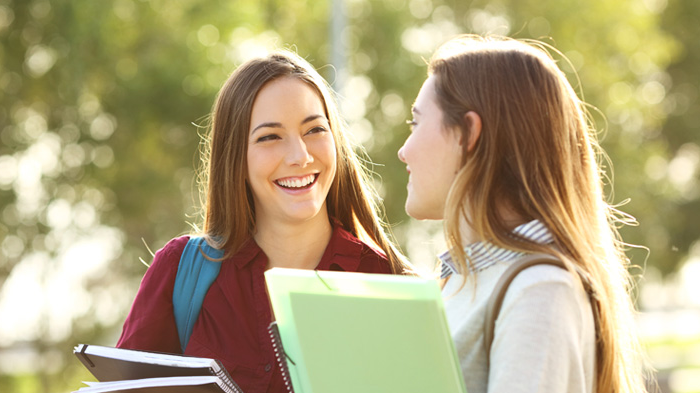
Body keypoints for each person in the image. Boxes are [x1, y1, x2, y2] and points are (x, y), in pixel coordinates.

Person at [117, 50, 409, 392]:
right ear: (236, 158)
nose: (300, 156)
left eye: (314, 129)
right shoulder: (180, 271)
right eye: (270, 137)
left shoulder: (390, 287)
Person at [398, 35, 649, 393]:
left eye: (415, 123)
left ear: (469, 133)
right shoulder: (461, 280)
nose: (404, 151)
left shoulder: (540, 290)